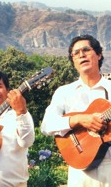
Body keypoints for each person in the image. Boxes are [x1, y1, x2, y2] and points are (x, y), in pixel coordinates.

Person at [41, 34, 111, 186]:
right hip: (79, 170)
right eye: (76, 53)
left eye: (86, 50)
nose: (82, 55)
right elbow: (47, 125)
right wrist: (78, 120)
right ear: (73, 60)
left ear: (99, 55)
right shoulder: (64, 92)